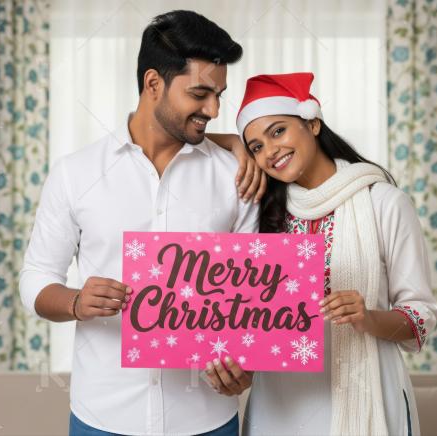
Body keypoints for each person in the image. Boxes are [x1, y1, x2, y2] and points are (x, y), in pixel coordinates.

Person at [19, 10, 261, 436]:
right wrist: (76, 301)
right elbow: (37, 278)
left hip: (206, 418)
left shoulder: (235, 175)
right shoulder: (75, 173)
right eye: (201, 94)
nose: (215, 109)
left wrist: (248, 367)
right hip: (103, 416)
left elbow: (253, 300)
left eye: (220, 95)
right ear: (153, 84)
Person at [206, 72, 437, 435]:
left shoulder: (384, 203)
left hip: (370, 398)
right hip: (280, 408)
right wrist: (236, 146)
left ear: (312, 123)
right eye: (255, 146)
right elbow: (184, 142)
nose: (270, 151)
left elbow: (421, 316)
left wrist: (367, 318)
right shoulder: (263, 212)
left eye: (278, 131)